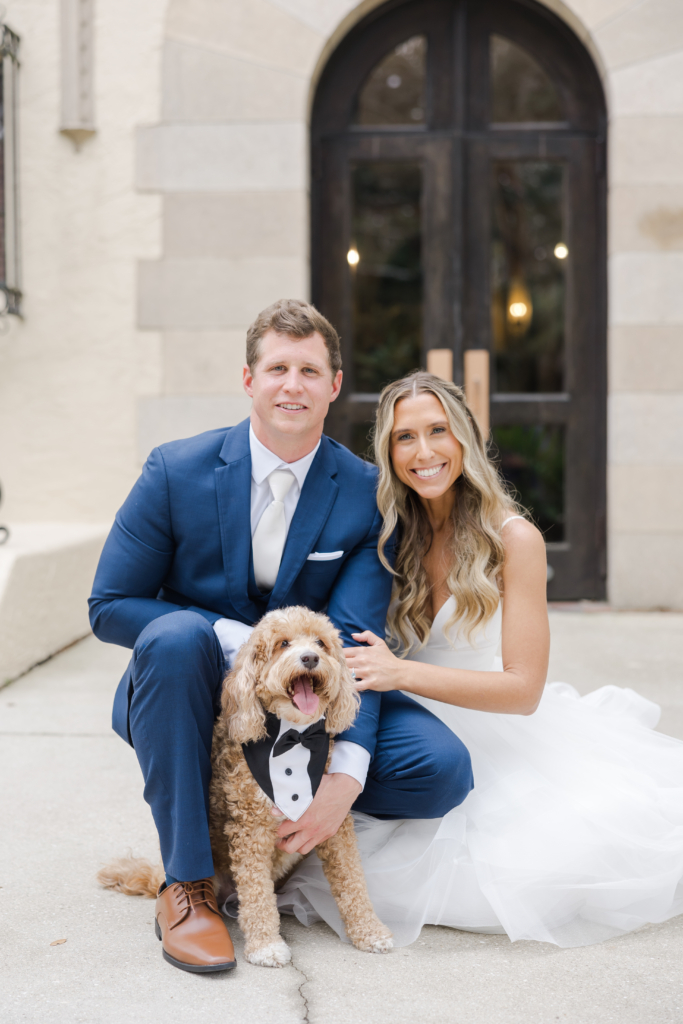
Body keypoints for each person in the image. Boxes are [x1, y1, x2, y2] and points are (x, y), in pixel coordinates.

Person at [89, 304, 473, 973]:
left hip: (305, 702)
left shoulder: (362, 492)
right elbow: (109, 605)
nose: (291, 384)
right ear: (248, 379)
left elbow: (355, 641)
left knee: (438, 768)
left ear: (333, 385)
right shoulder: (174, 471)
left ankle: (290, 833)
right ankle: (189, 884)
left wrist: (341, 783)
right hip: (188, 691)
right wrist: (239, 639)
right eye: (276, 368)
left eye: (309, 370)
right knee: (179, 634)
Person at [278, 370, 683, 949]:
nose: (424, 452)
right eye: (404, 438)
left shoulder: (514, 540)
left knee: (523, 865)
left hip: (492, 728)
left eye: (437, 430)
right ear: (388, 453)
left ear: (464, 436)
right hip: (401, 718)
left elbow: (523, 691)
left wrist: (401, 672)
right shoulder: (389, 531)